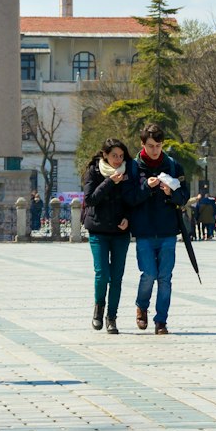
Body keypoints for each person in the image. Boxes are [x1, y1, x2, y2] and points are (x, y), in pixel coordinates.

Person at [124, 125, 191, 335]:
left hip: (167, 231)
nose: (155, 150)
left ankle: (161, 320)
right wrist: (146, 188)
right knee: (149, 274)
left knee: (165, 277)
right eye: (151, 146)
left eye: (159, 146)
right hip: (144, 231)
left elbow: (184, 197)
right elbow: (129, 198)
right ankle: (141, 306)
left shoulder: (173, 166)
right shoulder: (133, 168)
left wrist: (171, 193)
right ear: (142, 145)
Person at [83, 139, 135, 333]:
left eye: (121, 156)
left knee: (117, 277)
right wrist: (109, 182)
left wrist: (128, 218)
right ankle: (98, 309)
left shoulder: (128, 171)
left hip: (120, 232)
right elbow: (90, 199)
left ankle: (111, 317)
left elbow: (133, 200)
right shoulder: (94, 171)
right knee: (102, 274)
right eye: (114, 156)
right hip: (98, 230)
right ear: (105, 155)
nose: (118, 160)